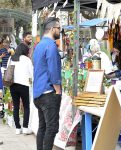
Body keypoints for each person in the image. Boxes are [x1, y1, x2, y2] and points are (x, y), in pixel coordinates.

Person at [33, 17, 62, 150]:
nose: (60, 31)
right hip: (48, 93)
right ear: (52, 29)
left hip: (38, 93)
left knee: (43, 127)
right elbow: (53, 70)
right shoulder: (51, 46)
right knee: (52, 128)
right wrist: (58, 90)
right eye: (59, 28)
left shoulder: (38, 46)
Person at [9, 43, 33, 135]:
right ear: (25, 51)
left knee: (16, 106)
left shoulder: (12, 58)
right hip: (24, 85)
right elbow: (32, 73)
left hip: (13, 85)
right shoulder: (27, 60)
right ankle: (25, 128)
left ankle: (18, 128)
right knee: (26, 106)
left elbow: (8, 70)